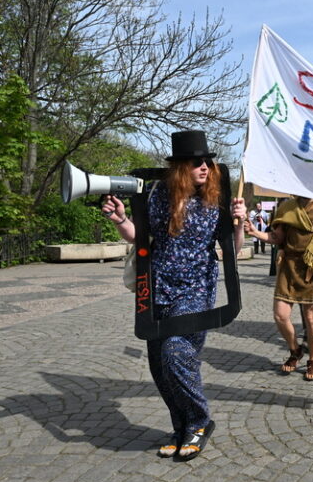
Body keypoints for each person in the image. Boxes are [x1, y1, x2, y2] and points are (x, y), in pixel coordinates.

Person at [101, 130, 247, 461]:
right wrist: (121, 219)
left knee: (175, 353)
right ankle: (180, 425)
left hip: (196, 288)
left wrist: (238, 225)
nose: (205, 167)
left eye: (208, 161)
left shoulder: (217, 199)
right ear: (181, 167)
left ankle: (199, 420)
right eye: (197, 162)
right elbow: (139, 236)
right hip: (157, 287)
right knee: (158, 366)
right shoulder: (157, 195)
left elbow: (232, 253)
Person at [246, 196, 313, 381]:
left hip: (312, 268)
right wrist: (254, 232)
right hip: (288, 267)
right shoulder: (287, 206)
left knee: (310, 317)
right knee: (280, 315)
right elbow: (276, 237)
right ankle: (295, 350)